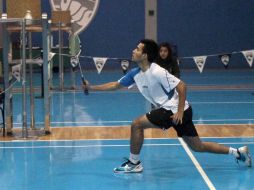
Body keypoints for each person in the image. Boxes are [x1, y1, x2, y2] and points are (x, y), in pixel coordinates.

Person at [83, 39, 252, 173]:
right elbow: (115, 85)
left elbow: (182, 86)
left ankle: (134, 163)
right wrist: (91, 87)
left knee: (136, 124)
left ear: (145, 55)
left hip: (173, 109)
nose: (133, 51)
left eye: (137, 49)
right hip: (179, 110)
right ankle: (238, 152)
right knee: (197, 146)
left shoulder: (157, 71)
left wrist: (178, 111)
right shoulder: (135, 73)